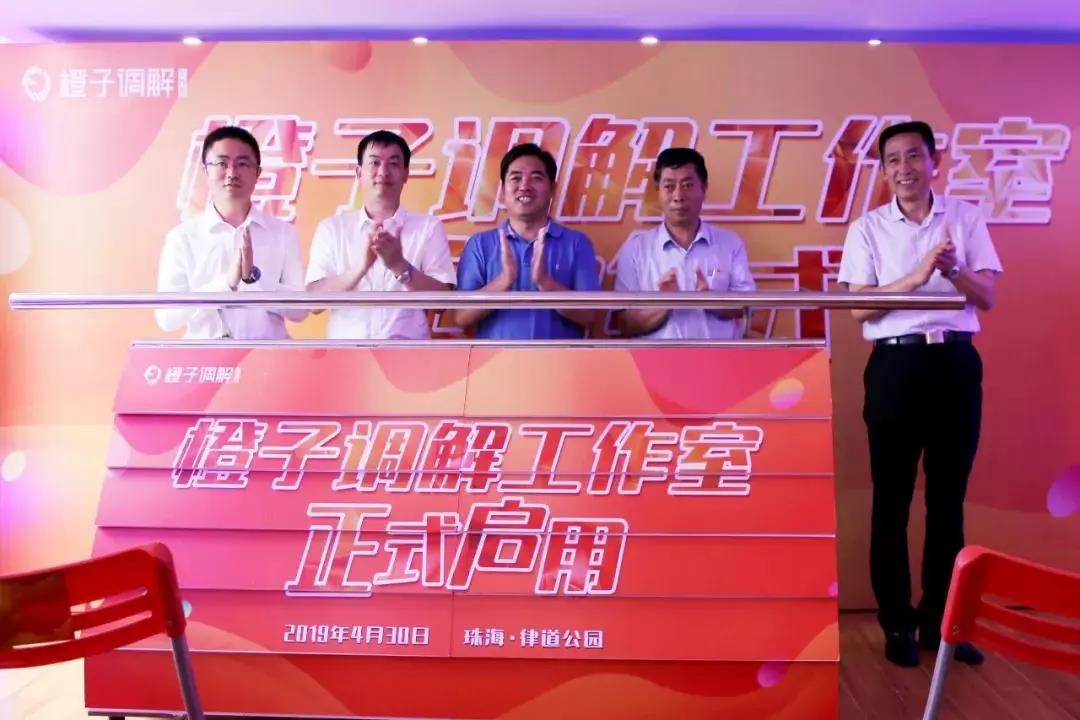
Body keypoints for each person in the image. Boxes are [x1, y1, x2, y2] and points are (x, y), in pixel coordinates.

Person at [838, 120, 1002, 668]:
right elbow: (859, 308)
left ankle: (942, 624)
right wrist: (912, 279)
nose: (904, 169)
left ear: (935, 161)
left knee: (947, 502)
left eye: (914, 156)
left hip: (955, 363)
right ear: (883, 171)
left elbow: (987, 295)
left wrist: (953, 270)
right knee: (892, 500)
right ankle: (896, 624)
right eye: (893, 160)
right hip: (896, 365)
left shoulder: (965, 217)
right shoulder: (867, 229)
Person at [156, 126, 306, 339]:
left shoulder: (283, 233)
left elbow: (300, 310)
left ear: (257, 173)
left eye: (242, 164)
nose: (232, 172)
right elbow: (166, 317)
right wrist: (225, 284)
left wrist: (254, 280)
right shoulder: (182, 238)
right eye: (222, 163)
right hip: (206, 356)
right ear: (206, 170)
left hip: (268, 354)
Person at [306, 130, 455, 339]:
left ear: (406, 173)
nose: (383, 171)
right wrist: (360, 268)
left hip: (407, 352)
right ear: (359, 173)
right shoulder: (332, 229)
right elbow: (312, 302)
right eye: (374, 163)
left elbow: (443, 302)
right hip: (347, 352)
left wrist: (400, 266)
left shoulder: (428, 228)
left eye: (393, 164)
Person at [450, 143, 600, 339]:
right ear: (502, 190)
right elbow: (460, 316)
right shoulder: (480, 245)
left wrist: (546, 283)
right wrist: (503, 282)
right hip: (496, 358)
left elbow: (591, 316)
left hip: (559, 357)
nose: (524, 186)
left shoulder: (577, 244)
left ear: (552, 188)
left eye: (536, 178)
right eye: (516, 178)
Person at [614, 147, 755, 338]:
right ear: (658, 191)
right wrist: (665, 303)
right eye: (669, 186)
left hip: (718, 355)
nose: (678, 196)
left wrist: (710, 300)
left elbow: (748, 306)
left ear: (704, 188)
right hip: (657, 357)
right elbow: (625, 324)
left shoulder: (730, 244)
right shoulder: (635, 251)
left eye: (687, 185)